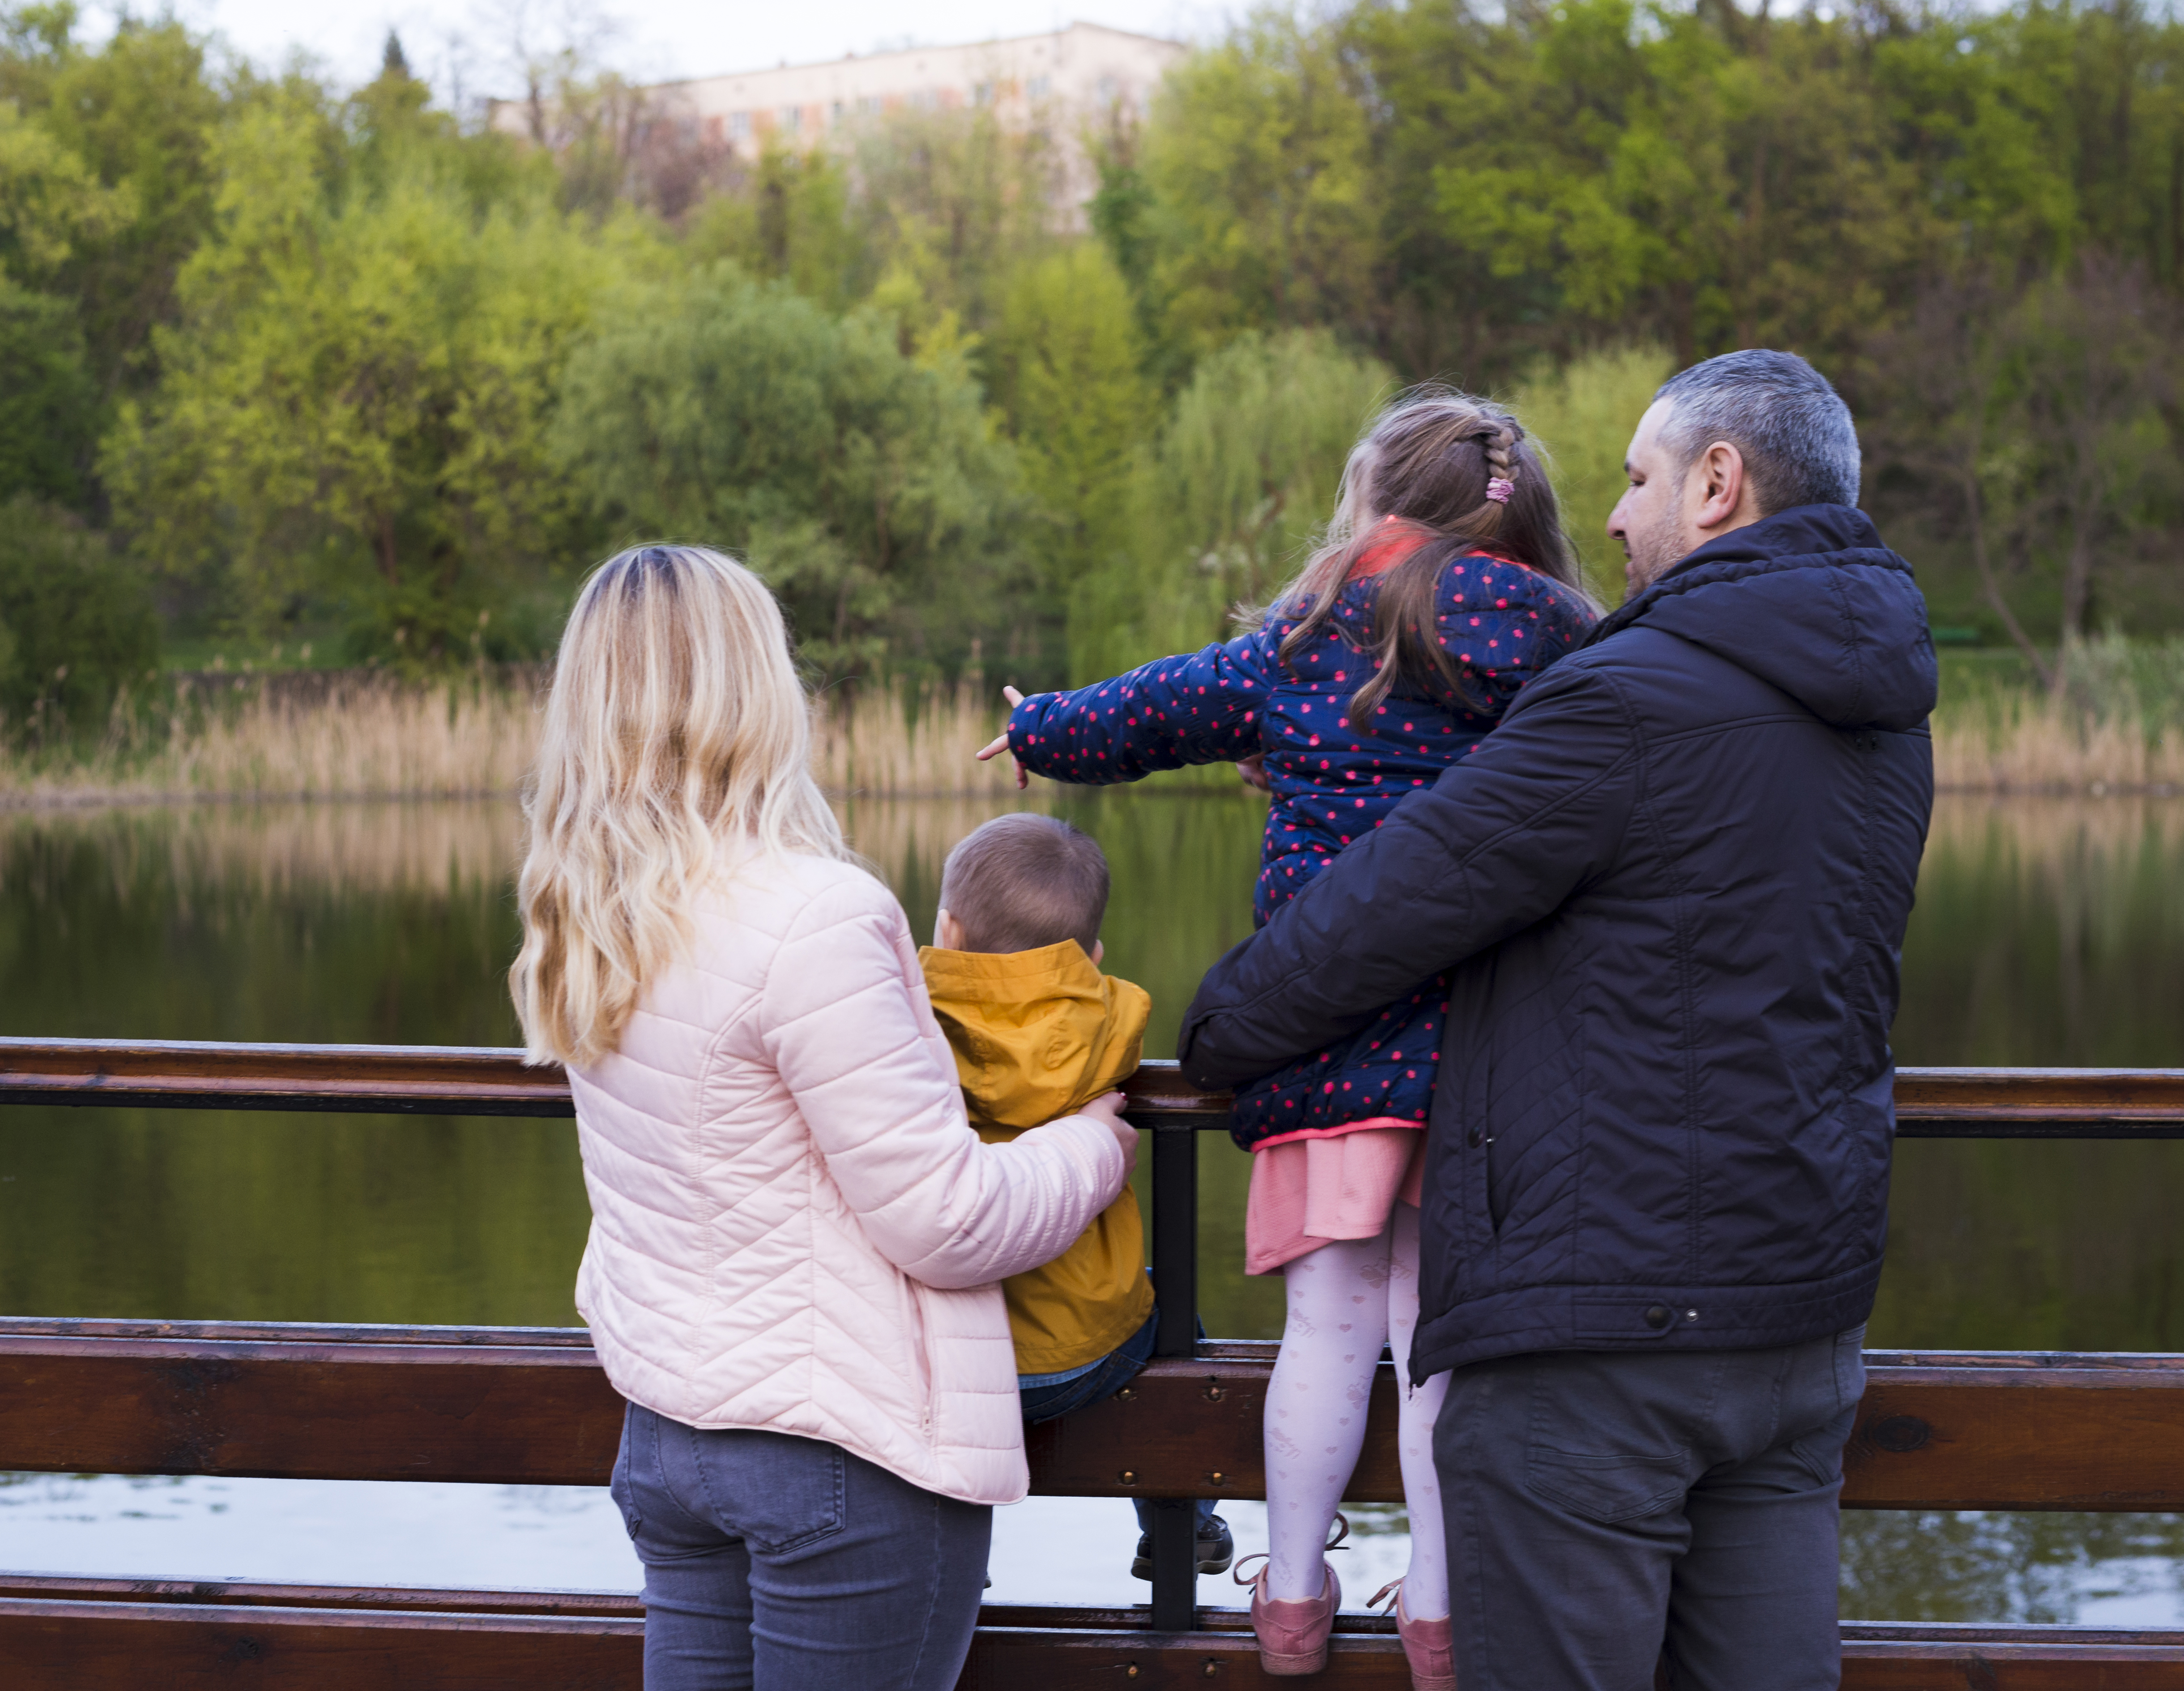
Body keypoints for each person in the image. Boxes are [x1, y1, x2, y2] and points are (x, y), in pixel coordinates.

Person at [1177, 351, 1938, 1691]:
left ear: (1717, 483)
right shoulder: (1886, 716)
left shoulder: (1627, 696)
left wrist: (1218, 1034)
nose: (1613, 516)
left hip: (1598, 1344)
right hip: (1798, 1325)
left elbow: (1389, 907)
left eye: (1639, 479)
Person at [980, 389, 1600, 1684]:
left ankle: (1292, 1602)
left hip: (1330, 1038)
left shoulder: (1309, 634)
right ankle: (1439, 1618)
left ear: (1374, 501)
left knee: (1324, 1327)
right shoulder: (1559, 637)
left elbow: (1153, 710)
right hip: (1487, 1052)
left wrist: (1038, 726)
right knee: (1439, 1348)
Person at [509, 544, 1139, 1691]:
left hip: (671, 1434)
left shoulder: (587, 911)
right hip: (839, 1455)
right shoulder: (814, 915)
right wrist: (1093, 1143)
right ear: (757, 691)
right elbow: (946, 1219)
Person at [916, 810, 1234, 1580]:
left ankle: (951, 1564)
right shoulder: (1109, 1019)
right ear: (1089, 957)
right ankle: (1184, 1522)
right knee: (1171, 1308)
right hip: (1085, 1352)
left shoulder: (905, 1018)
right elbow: (1103, 1000)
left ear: (948, 929)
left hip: (937, 1362)